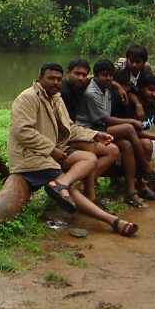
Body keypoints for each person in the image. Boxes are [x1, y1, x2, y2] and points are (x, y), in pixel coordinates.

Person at [8, 62, 139, 237]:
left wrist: (94, 135)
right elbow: (22, 131)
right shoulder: (28, 98)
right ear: (40, 79)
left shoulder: (56, 98)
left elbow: (70, 127)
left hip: (52, 152)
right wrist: (50, 149)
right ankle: (113, 221)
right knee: (72, 192)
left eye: (58, 79)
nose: (55, 82)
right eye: (51, 78)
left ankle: (61, 183)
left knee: (89, 159)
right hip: (31, 157)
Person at [76, 59, 155, 209]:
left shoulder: (106, 87)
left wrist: (116, 85)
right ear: (96, 76)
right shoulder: (92, 93)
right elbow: (105, 119)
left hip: (100, 128)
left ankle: (131, 191)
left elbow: (123, 86)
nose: (108, 78)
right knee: (129, 128)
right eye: (104, 75)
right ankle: (147, 169)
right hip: (90, 130)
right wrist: (131, 121)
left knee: (125, 145)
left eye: (111, 75)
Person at [61, 59, 120, 206]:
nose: (80, 78)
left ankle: (82, 186)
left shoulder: (82, 84)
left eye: (84, 75)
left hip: (76, 131)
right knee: (90, 147)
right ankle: (90, 195)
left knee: (112, 150)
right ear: (68, 73)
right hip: (65, 137)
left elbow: (97, 78)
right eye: (77, 74)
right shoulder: (62, 92)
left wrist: (117, 85)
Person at [112, 75, 155, 197]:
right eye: (151, 89)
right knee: (146, 142)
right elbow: (132, 131)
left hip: (144, 141)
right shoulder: (128, 104)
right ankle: (142, 184)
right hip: (128, 143)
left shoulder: (153, 105)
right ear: (142, 88)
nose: (153, 94)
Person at [114, 44, 154, 120]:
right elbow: (106, 78)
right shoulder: (118, 68)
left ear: (144, 62)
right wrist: (118, 86)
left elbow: (150, 85)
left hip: (135, 93)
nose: (134, 65)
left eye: (138, 62)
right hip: (118, 96)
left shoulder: (147, 69)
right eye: (131, 61)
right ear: (127, 59)